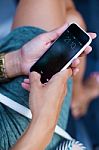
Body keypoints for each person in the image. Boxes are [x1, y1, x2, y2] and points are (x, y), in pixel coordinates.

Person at [0, 22, 96, 149]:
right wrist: (45, 119)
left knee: (73, 19)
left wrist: (15, 62)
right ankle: (77, 95)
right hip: (21, 133)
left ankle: (77, 94)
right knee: (66, 12)